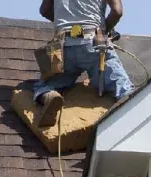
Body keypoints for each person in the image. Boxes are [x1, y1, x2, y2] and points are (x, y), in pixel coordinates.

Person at [33, 0, 132, 128]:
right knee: (124, 89)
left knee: (46, 85)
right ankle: (132, 126)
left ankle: (48, 95)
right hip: (92, 42)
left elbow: (44, 10)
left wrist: (64, 25)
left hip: (63, 47)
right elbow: (117, 12)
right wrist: (104, 31)